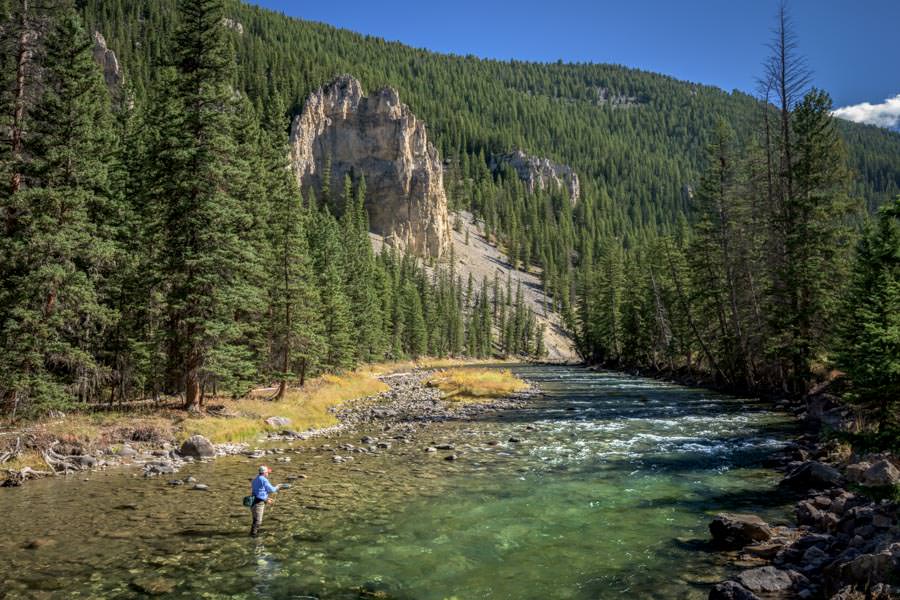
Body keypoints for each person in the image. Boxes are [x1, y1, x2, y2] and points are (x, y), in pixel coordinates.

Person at [250, 465, 279, 537]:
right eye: (267, 472)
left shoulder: (255, 479)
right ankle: (253, 537)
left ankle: (253, 533)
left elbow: (258, 492)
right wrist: (278, 486)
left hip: (253, 502)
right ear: (264, 473)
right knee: (258, 521)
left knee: (255, 519)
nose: (268, 474)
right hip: (258, 503)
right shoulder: (264, 479)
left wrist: (266, 499)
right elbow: (272, 490)